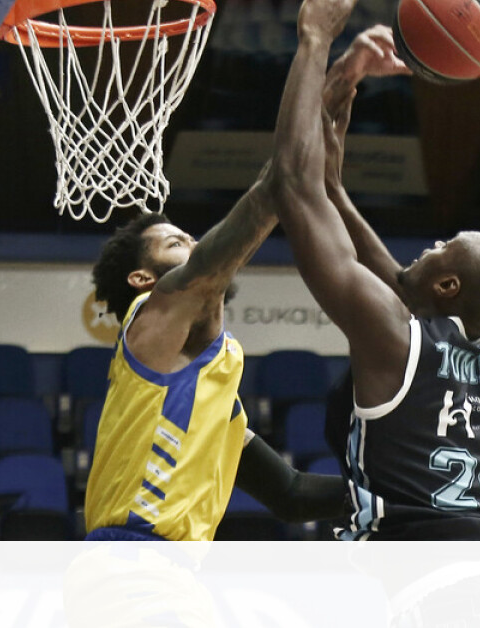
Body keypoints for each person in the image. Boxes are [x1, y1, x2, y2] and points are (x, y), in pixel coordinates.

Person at [82, 0, 362, 541]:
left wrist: (404, 498)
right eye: (175, 243)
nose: (195, 244)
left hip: (164, 567)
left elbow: (290, 494)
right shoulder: (155, 314)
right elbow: (280, 184)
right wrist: (314, 44)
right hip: (134, 557)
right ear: (143, 280)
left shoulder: (208, 386)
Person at [273, 27, 480, 540]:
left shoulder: (394, 340)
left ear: (449, 286)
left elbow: (294, 185)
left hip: (419, 557)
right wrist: (343, 86)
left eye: (444, 246)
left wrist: (315, 38)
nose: (431, 245)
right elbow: (330, 194)